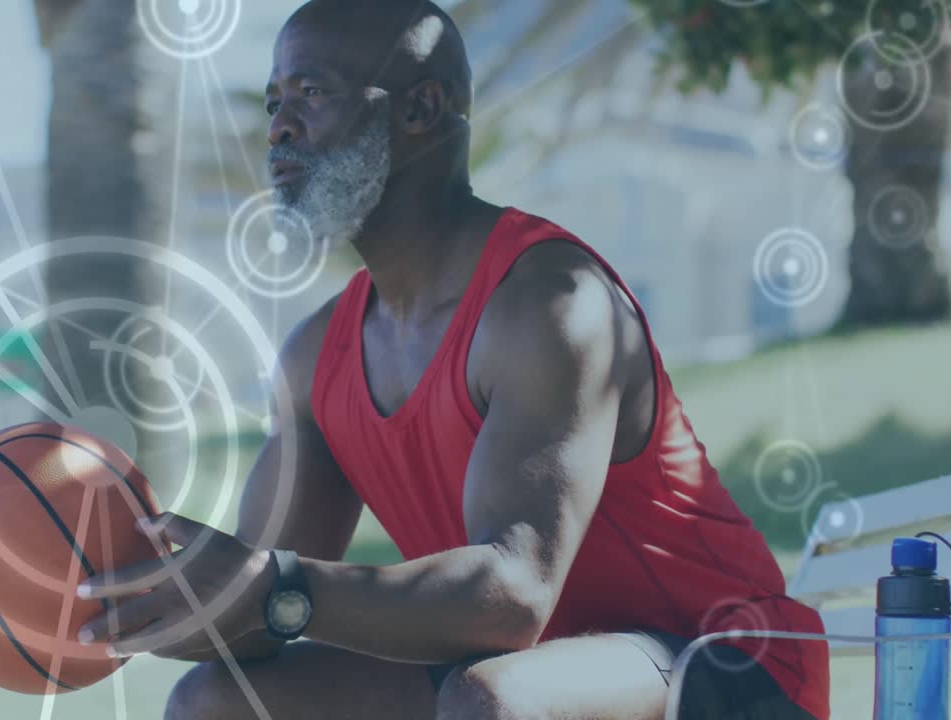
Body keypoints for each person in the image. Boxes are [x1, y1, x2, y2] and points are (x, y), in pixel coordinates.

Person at [74, 1, 830, 717]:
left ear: (420, 110)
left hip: (731, 665)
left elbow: (514, 590)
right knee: (216, 703)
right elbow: (259, 616)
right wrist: (104, 603)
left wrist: (271, 586)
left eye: (313, 92)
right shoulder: (315, 358)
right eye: (274, 103)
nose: (280, 128)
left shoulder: (547, 303)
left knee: (489, 702)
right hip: (519, 672)